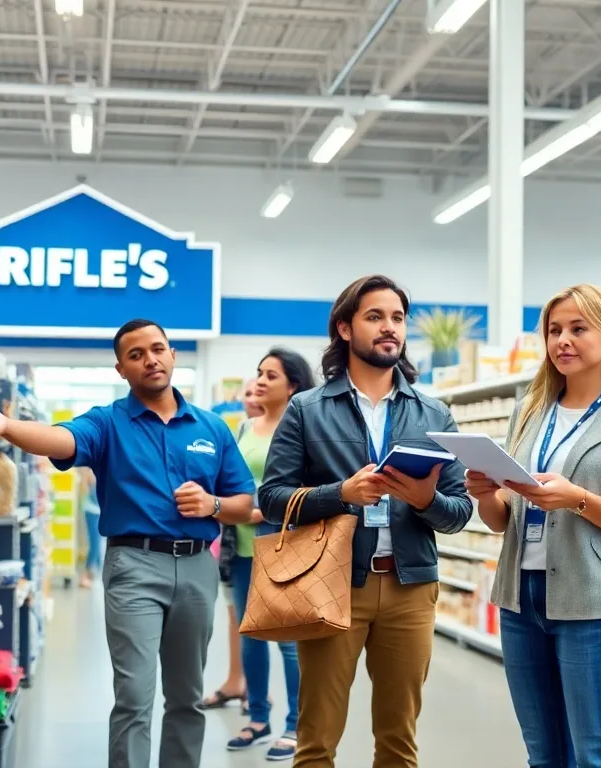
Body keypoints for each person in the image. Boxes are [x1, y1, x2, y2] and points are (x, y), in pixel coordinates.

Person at [0, 318, 258, 768]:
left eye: (157, 349)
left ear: (172, 354)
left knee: (187, 695)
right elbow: (61, 438)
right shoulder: (108, 423)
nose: (150, 359)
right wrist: (5, 426)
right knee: (134, 697)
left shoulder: (211, 428)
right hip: (134, 565)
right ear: (121, 369)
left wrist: (212, 504)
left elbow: (242, 502)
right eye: (136, 355)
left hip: (196, 570)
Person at [259, 274, 472, 768]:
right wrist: (341, 494)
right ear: (345, 329)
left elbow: (459, 512)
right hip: (331, 584)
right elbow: (271, 498)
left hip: (411, 588)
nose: (389, 328)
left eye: (397, 318)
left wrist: (423, 499)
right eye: (375, 316)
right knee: (317, 739)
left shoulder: (434, 414)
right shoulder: (307, 409)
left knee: (399, 741)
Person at [466, 284, 601, 768]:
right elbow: (500, 522)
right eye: (555, 330)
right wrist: (486, 494)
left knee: (596, 754)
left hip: (595, 605)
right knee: (543, 754)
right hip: (520, 599)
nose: (563, 340)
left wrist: (578, 499)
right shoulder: (529, 410)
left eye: (578, 328)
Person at [226, 349, 317, 760]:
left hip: (284, 543)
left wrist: (259, 511)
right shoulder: (245, 427)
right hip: (242, 546)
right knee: (250, 633)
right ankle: (257, 717)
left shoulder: (302, 428)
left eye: (270, 376)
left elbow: (307, 491)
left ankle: (296, 725)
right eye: (258, 373)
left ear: (293, 385)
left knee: (287, 640)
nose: (259, 381)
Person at [203, 378, 265, 713]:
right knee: (236, 616)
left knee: (270, 623)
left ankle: (260, 692)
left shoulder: (288, 428)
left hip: (270, 539)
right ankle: (236, 681)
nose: (252, 397)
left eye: (259, 390)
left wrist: (258, 511)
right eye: (248, 392)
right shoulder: (241, 430)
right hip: (233, 542)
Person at [78, 467, 103, 588]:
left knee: (97, 545)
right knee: (95, 545)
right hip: (93, 512)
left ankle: (94, 573)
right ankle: (86, 575)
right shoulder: (91, 472)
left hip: (96, 512)